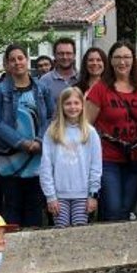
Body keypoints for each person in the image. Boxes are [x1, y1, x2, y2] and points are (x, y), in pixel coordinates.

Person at [0, 44, 53, 228]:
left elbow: (51, 116)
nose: (17, 63)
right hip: (9, 161)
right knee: (11, 209)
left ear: (27, 59)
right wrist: (21, 142)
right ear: (7, 64)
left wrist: (39, 140)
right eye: (12, 60)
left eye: (20, 58)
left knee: (34, 209)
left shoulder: (41, 88)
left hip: (36, 160)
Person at [86, 41, 137, 221]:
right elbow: (86, 125)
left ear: (133, 60)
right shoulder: (100, 88)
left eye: (127, 57)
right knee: (112, 208)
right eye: (118, 57)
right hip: (108, 158)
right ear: (111, 61)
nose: (123, 62)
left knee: (126, 208)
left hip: (135, 156)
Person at [40, 87, 102, 228]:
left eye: (76, 103)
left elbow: (96, 166)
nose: (72, 107)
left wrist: (93, 194)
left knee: (79, 232)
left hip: (82, 194)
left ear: (82, 105)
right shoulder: (52, 131)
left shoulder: (90, 132)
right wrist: (50, 196)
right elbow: (46, 166)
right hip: (59, 195)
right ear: (61, 106)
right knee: (61, 231)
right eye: (68, 103)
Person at [39, 38, 78, 108]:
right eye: (61, 53)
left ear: (74, 55)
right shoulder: (44, 81)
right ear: (54, 55)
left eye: (68, 53)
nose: (65, 57)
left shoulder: (82, 78)